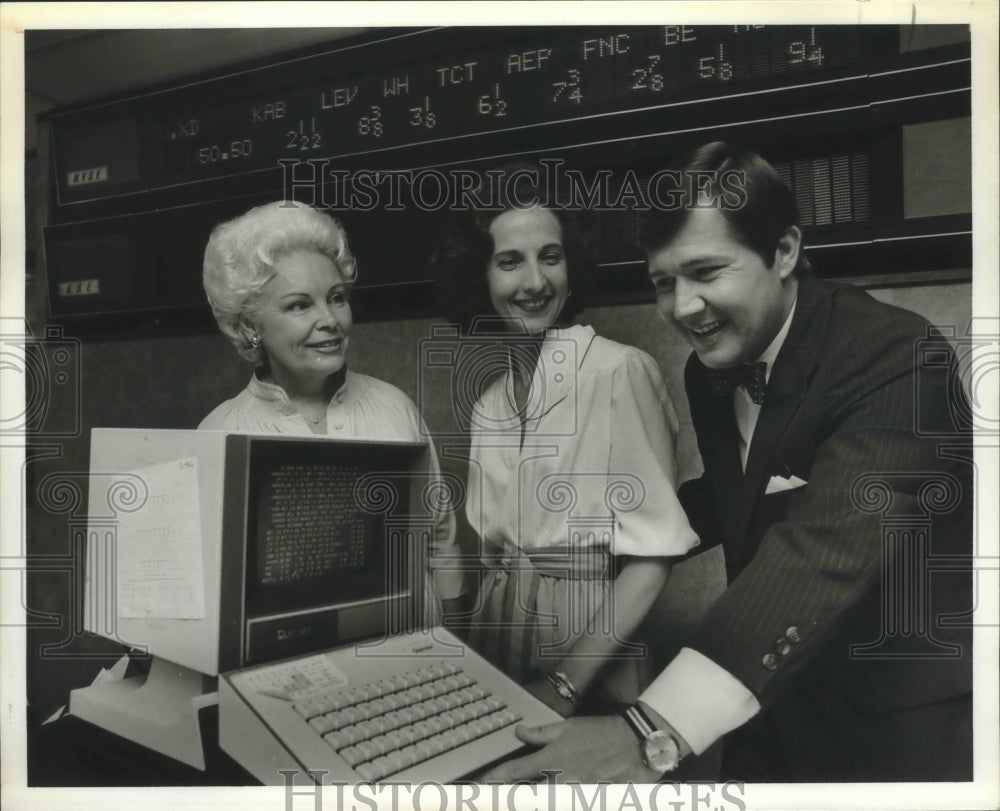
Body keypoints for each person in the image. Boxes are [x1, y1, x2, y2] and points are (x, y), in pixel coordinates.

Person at [485, 142, 973, 782]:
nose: (683, 307)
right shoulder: (709, 371)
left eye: (707, 272)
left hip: (893, 722)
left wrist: (648, 730)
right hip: (765, 706)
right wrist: (609, 540)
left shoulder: (897, 354)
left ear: (785, 252)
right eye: (664, 282)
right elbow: (733, 494)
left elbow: (823, 550)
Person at [430, 166, 699, 716]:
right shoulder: (489, 404)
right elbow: (488, 554)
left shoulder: (620, 371)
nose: (535, 282)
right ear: (477, 278)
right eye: (510, 261)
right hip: (497, 634)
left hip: (590, 643)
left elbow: (654, 556)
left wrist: (564, 684)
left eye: (550, 257)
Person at [200, 199, 465, 616]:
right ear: (249, 326)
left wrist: (454, 649)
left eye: (336, 297)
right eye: (299, 305)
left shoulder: (395, 407)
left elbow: (441, 543)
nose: (330, 320)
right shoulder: (217, 435)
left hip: (416, 657)